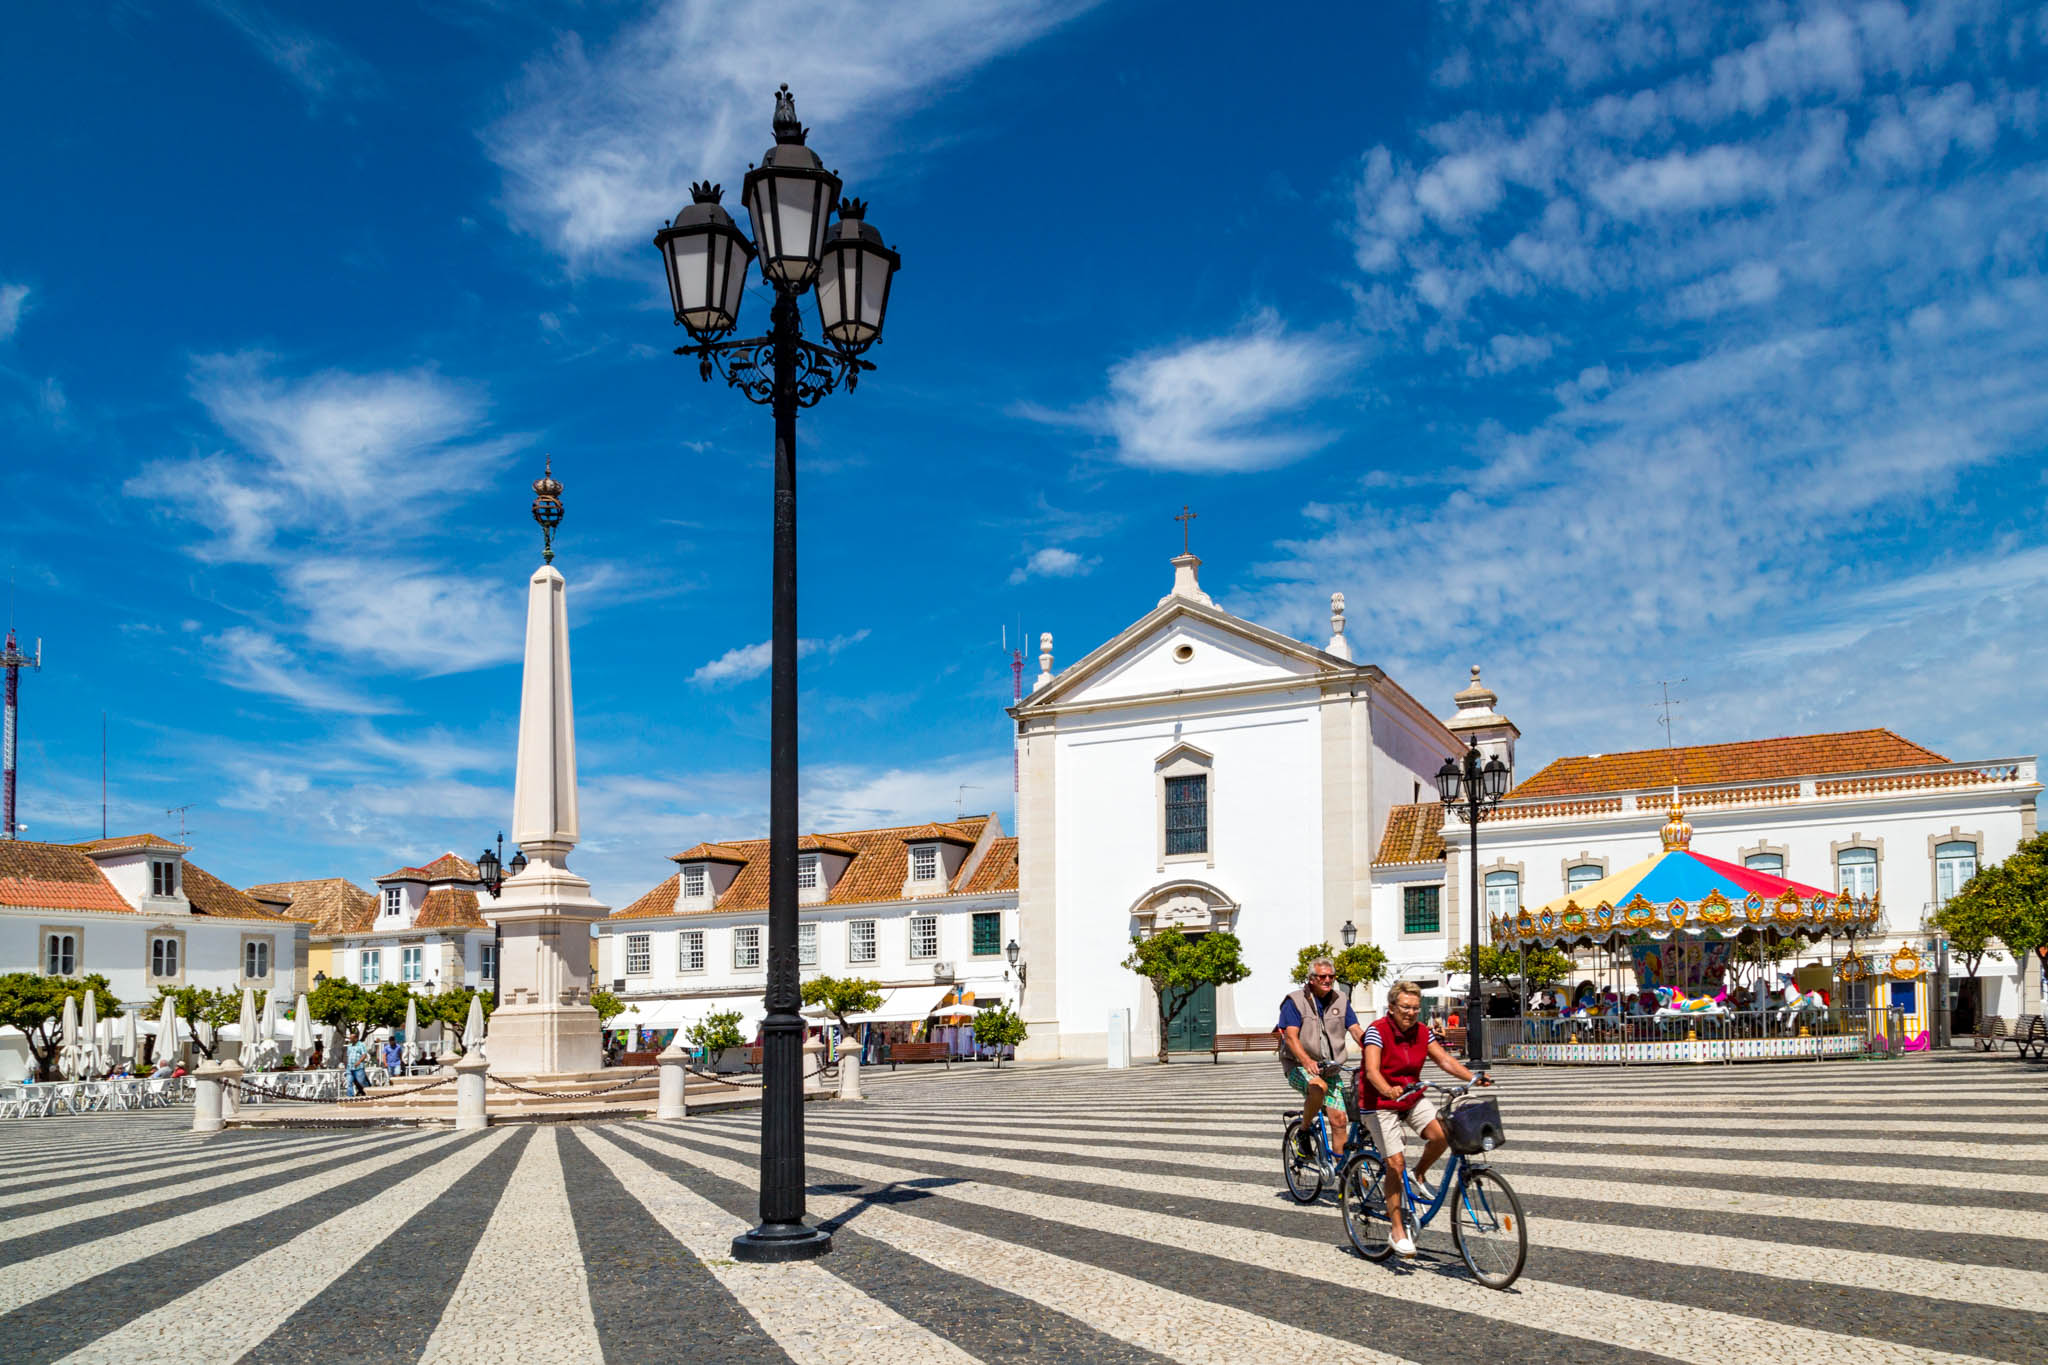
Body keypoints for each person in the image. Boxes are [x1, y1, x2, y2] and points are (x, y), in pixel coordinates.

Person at [1360, 979, 1490, 1258]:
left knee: (1443, 1133)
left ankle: (1418, 1174)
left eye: (1415, 1008)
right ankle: (1397, 1231)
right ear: (1392, 1007)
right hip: (1379, 1102)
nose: (1410, 1013)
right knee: (1394, 1164)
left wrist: (1474, 1078)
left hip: (1411, 1096)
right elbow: (1371, 1070)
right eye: (1405, 1007)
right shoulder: (1376, 1031)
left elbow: (1444, 1060)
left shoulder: (1422, 1032)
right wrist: (1386, 1089)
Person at [1277, 957, 1369, 1160]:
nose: (1328, 980)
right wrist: (1306, 1061)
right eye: (1322, 976)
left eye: (1331, 976)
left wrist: (1373, 1049)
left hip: (1330, 1068)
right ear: (1311, 979)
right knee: (1318, 1087)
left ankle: (1344, 1171)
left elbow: (1355, 1030)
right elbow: (1291, 1037)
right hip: (1298, 1065)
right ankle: (1303, 1131)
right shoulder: (1295, 1001)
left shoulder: (1341, 1000)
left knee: (1339, 1120)